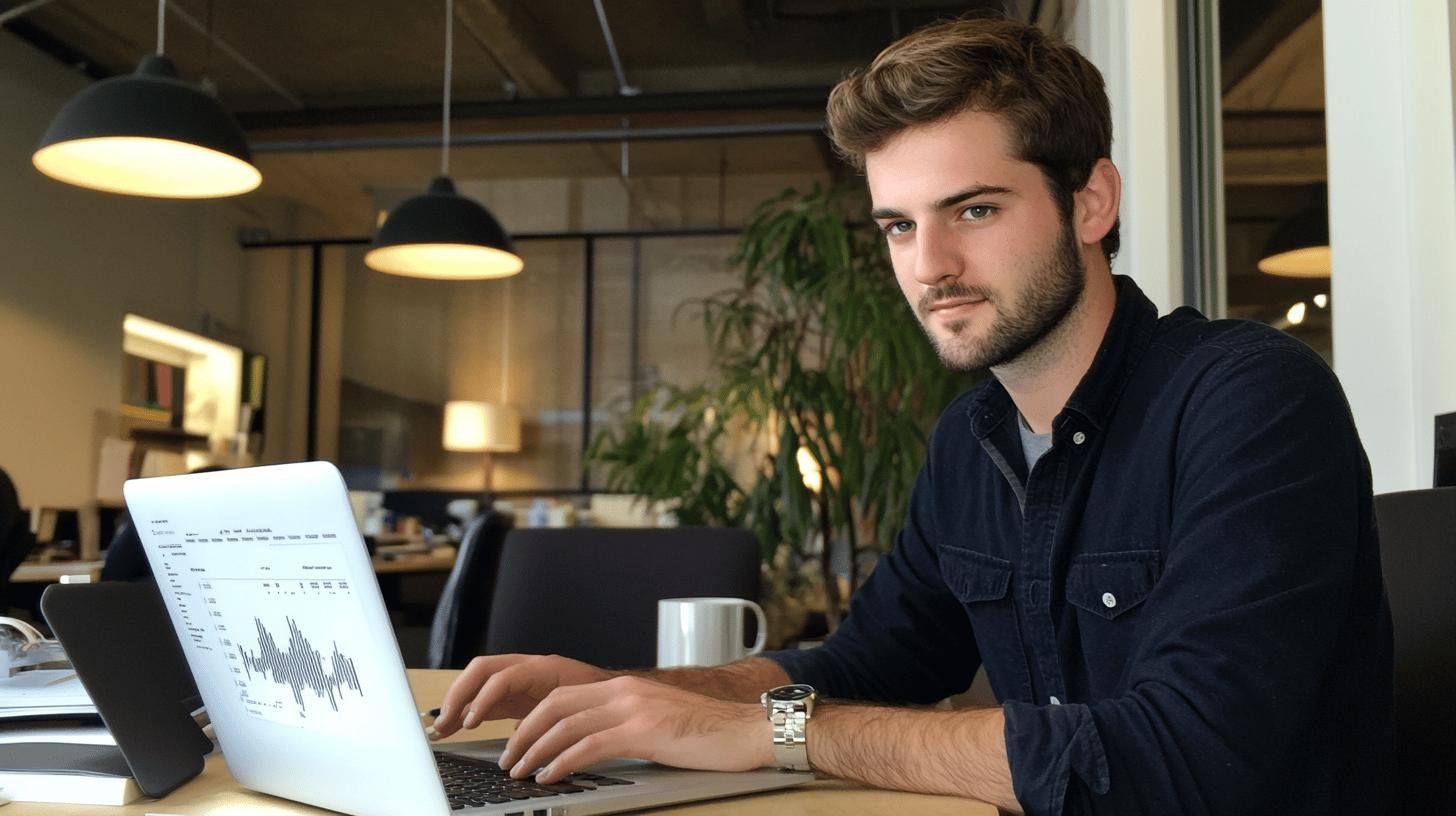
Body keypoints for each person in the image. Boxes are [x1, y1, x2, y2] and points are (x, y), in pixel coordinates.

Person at [432, 16, 1394, 815]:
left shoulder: (1249, 400)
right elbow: (872, 660)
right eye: (900, 224)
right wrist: (625, 694)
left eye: (972, 211)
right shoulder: (970, 442)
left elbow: (1180, 759)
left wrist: (770, 732)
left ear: (1090, 202)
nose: (928, 266)